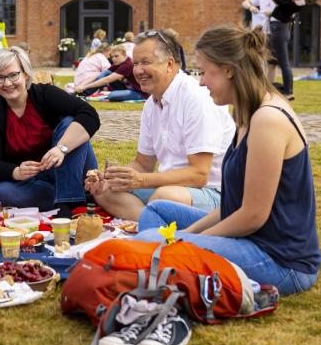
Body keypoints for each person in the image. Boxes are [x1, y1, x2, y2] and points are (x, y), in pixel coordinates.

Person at [134, 24, 321, 296]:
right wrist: (185, 236)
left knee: (151, 241)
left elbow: (252, 216)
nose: (201, 82)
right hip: (252, 239)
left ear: (228, 70)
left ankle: (165, 269)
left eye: (205, 72)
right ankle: (168, 268)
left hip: (281, 260)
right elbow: (233, 205)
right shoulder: (247, 112)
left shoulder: (267, 119)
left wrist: (189, 242)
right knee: (157, 211)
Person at [87, 29, 234, 220]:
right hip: (171, 188)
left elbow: (199, 175)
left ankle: (155, 220)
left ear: (169, 64)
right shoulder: (152, 104)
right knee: (105, 192)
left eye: (146, 62)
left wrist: (141, 181)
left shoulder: (196, 98)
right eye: (136, 63)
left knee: (164, 198)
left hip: (213, 192)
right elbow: (143, 164)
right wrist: (113, 179)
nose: (138, 71)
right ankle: (154, 221)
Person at [0, 46, 100, 216]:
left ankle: (66, 203)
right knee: (6, 191)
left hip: (70, 168)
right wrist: (17, 171)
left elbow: (90, 115)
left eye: (13, 75)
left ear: (26, 74)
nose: (7, 83)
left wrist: (61, 148)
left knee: (70, 123)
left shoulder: (45, 94)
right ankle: (78, 196)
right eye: (0, 78)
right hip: (35, 181)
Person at [268, 0, 318, 100]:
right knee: (273, 60)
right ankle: (275, 88)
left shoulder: (299, 0)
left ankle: (288, 91)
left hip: (279, 29)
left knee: (283, 62)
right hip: (277, 29)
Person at [73, 45, 146, 101]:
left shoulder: (127, 65)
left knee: (112, 96)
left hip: (140, 92)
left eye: (116, 56)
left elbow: (107, 80)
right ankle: (82, 93)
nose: (114, 59)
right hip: (129, 88)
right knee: (106, 73)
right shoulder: (118, 63)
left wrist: (85, 87)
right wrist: (82, 85)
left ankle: (82, 93)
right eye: (112, 57)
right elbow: (101, 75)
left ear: (124, 55)